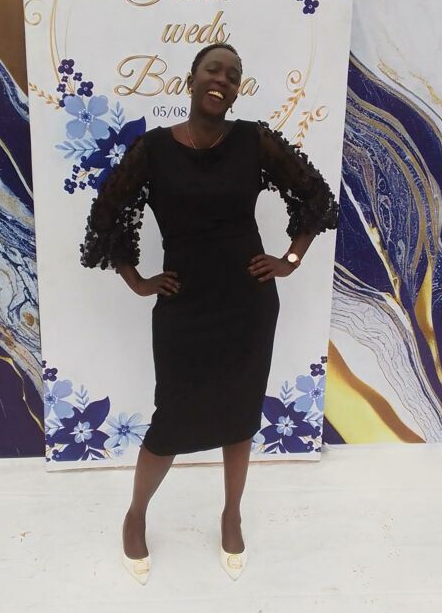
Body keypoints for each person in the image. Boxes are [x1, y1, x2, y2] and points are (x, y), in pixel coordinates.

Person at [80, 43, 338, 584]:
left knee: (240, 413)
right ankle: (135, 515)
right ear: (191, 79)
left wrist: (290, 260)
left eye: (233, 75)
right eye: (213, 70)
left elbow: (315, 197)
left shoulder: (254, 140)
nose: (222, 79)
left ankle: (231, 514)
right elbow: (106, 214)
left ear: (237, 90)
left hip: (248, 302)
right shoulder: (153, 149)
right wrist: (137, 281)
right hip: (184, 306)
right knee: (171, 419)